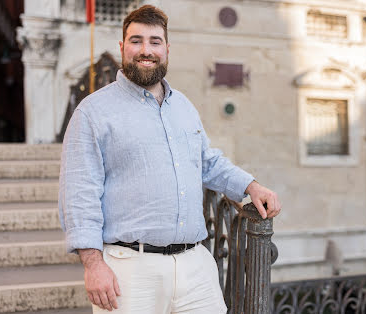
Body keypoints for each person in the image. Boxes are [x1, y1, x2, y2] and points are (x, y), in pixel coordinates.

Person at [59, 5, 281, 314]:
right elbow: (79, 194)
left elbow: (207, 162)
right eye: (136, 41)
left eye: (154, 41)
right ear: (123, 47)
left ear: (166, 49)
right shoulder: (93, 112)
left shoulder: (184, 107)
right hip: (130, 270)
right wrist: (94, 265)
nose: (145, 50)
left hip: (195, 266)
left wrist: (251, 186)